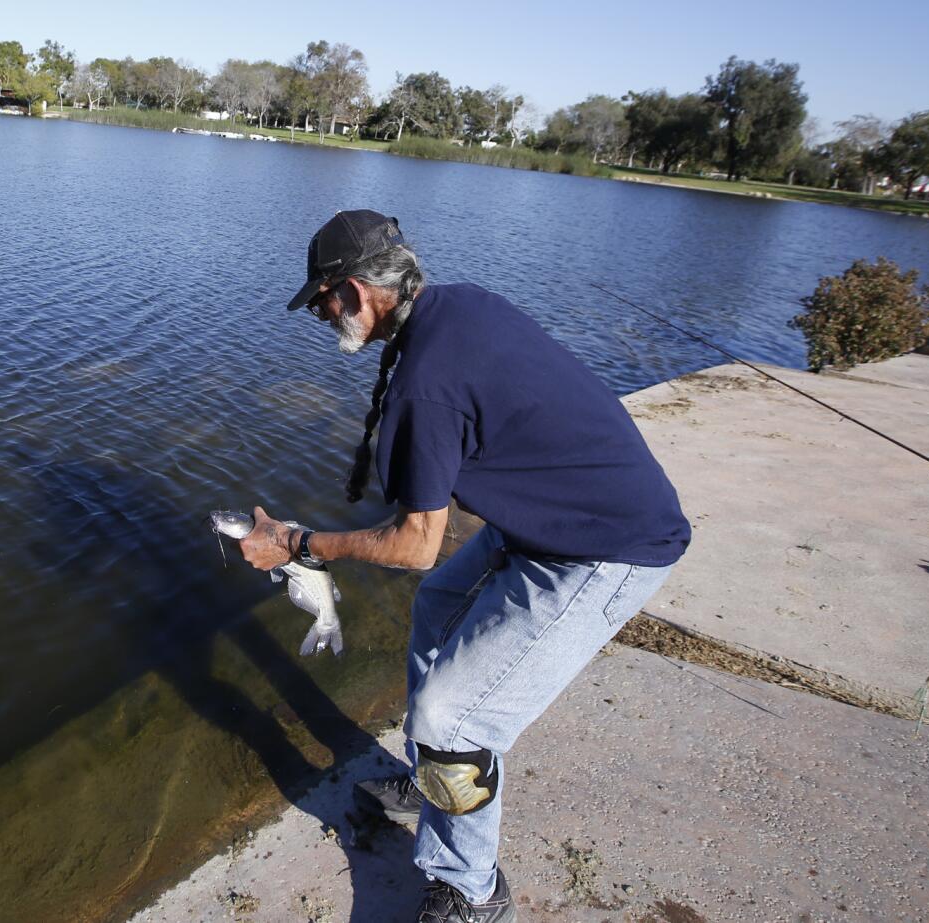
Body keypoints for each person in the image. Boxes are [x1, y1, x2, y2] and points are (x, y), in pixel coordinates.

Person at [237, 209, 690, 923]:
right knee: (440, 608)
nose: (320, 315)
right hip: (556, 521)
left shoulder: (426, 381)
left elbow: (415, 545)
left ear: (355, 292)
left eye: (322, 301)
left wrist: (299, 544)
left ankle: (472, 889)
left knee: (454, 719)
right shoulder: (458, 305)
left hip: (606, 548)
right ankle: (433, 780)